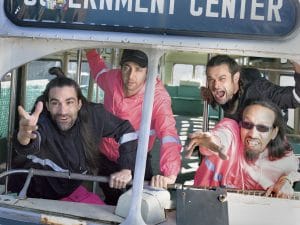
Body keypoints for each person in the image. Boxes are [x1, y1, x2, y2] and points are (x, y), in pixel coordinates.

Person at [8, 76, 138, 205]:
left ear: (79, 104)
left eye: (69, 102)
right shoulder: (43, 123)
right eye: (55, 103)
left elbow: (125, 130)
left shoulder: (95, 116)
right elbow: (29, 142)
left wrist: (126, 168)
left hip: (69, 190)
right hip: (30, 195)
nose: (63, 111)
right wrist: (24, 135)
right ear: (47, 106)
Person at [86, 49, 181, 205]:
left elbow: (168, 133)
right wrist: (90, 51)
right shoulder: (112, 79)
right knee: (113, 202)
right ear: (121, 67)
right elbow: (98, 71)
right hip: (107, 157)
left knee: (143, 202)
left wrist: (170, 173)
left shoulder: (158, 97)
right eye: (127, 68)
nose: (130, 76)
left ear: (148, 72)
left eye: (138, 70)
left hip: (139, 157)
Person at [187, 100, 300, 198]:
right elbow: (223, 135)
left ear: (274, 132)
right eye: (247, 124)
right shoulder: (231, 130)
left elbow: (293, 170)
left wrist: (286, 181)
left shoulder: (283, 155)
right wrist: (214, 142)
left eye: (262, 128)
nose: (253, 134)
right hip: (206, 208)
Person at [202, 55, 300, 121]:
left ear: (235, 78)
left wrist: (296, 59)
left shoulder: (260, 90)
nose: (215, 85)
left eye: (222, 78)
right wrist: (211, 98)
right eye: (211, 79)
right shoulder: (222, 92)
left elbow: (296, 98)